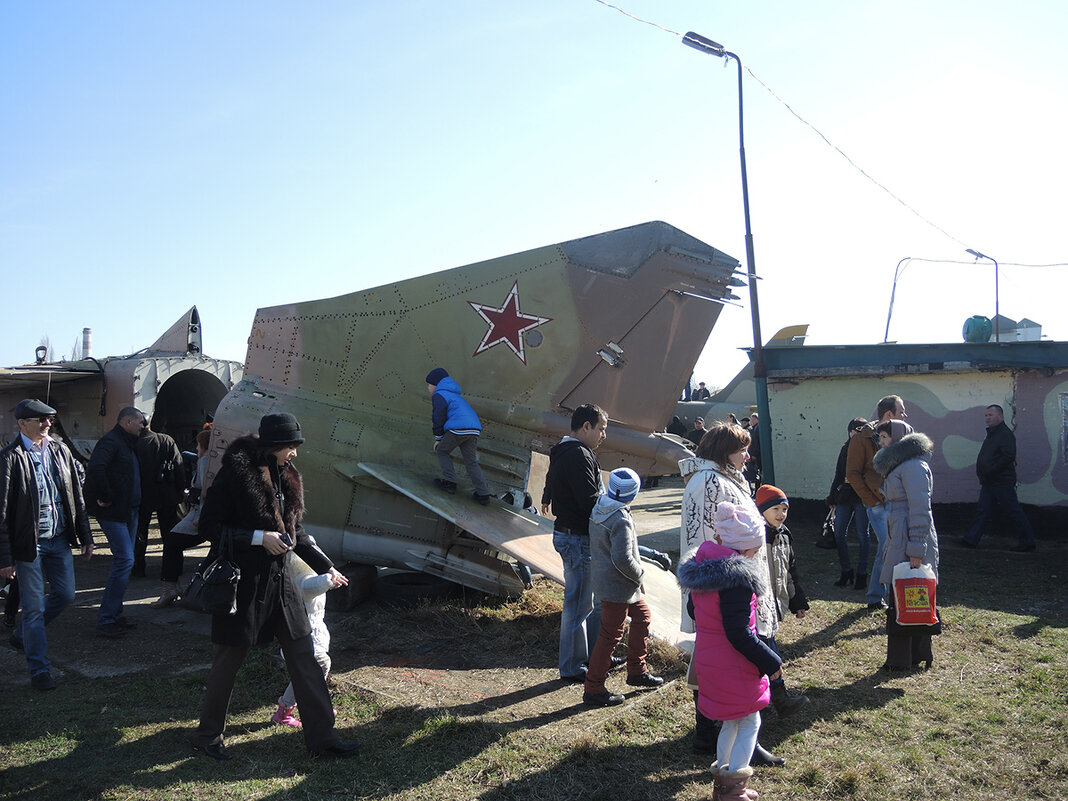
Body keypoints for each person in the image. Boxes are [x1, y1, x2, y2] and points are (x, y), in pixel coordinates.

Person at [191, 412, 358, 760]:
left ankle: (323, 739)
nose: (295, 453)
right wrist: (257, 538)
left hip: (283, 585)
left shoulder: (286, 475)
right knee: (228, 660)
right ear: (273, 445)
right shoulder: (235, 474)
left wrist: (327, 566)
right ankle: (208, 737)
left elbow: (295, 533)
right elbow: (208, 526)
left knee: (306, 658)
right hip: (245, 585)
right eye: (291, 446)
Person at [678, 422, 783, 766]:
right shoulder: (710, 482)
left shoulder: (719, 478)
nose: (747, 455)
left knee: (717, 662)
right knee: (730, 660)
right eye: (742, 450)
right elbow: (712, 535)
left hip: (725, 583)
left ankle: (710, 737)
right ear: (725, 452)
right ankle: (727, 741)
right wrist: (731, 576)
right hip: (723, 587)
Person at [677, 500, 782, 801]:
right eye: (754, 549)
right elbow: (739, 632)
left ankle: (722, 785)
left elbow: (694, 611)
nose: (756, 554)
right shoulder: (738, 579)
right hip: (733, 663)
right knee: (750, 721)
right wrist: (770, 660)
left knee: (730, 721)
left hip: (710, 658)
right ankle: (735, 790)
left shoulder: (703, 570)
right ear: (744, 548)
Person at [0, 399, 94, 691]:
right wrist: (5, 558)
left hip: (59, 539)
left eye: (50, 419)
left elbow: (75, 495)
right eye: (41, 420)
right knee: (33, 608)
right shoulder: (10, 457)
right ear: (22, 424)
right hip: (29, 545)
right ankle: (39, 670)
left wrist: (86, 535)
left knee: (65, 595)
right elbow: (1, 512)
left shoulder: (59, 449)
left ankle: (23, 635)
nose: (48, 424)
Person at [582, 468, 663, 706]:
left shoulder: (601, 507)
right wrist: (640, 574)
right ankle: (593, 687)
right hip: (619, 586)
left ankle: (637, 671)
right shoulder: (620, 519)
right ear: (633, 494)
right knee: (610, 635)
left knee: (643, 617)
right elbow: (623, 559)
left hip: (611, 582)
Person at [541, 403, 608, 682]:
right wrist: (614, 513)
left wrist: (546, 496)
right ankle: (571, 666)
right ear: (586, 427)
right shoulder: (579, 454)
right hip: (576, 537)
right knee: (578, 605)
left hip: (573, 535)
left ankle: (594, 655)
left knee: (589, 601)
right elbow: (588, 500)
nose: (604, 435)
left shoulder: (564, 449)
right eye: (601, 429)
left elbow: (552, 475)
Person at [872, 420, 940, 670]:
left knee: (910, 594)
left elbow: (921, 509)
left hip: (909, 539)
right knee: (907, 594)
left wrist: (916, 550)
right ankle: (911, 656)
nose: (881, 442)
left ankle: (904, 659)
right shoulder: (902, 465)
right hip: (900, 537)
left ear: (898, 438)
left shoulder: (912, 466)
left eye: (884, 437)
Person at [84, 406, 146, 638]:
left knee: (125, 562)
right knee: (125, 561)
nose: (143, 426)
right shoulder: (111, 442)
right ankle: (107, 618)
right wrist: (105, 496)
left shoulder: (127, 443)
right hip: (114, 513)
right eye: (140, 422)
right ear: (127, 422)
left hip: (129, 511)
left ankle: (115, 613)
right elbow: (97, 468)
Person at [846, 395, 908, 610]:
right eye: (901, 411)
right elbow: (852, 474)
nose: (905, 415)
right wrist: (871, 501)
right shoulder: (861, 438)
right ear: (889, 414)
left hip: (898, 501)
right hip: (878, 503)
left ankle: (876, 596)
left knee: (890, 545)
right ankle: (884, 596)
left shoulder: (902, 436)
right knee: (890, 545)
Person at [754, 484, 810, 715]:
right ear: (761, 510)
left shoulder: (784, 534)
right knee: (768, 652)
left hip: (775, 605)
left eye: (784, 509)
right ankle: (778, 697)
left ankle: (768, 697)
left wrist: (797, 600)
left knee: (769, 648)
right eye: (775, 508)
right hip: (758, 606)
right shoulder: (756, 534)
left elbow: (790, 570)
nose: (781, 514)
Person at [270, 557, 345, 728]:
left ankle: (284, 712)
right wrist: (330, 577)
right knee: (320, 665)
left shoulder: (299, 577)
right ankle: (316, 708)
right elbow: (314, 585)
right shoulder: (300, 581)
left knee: (305, 675)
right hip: (304, 636)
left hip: (311, 634)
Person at [959, 405, 1036, 552]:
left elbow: (1008, 456)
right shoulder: (993, 434)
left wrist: (990, 470)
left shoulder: (1004, 434)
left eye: (991, 415)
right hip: (991, 480)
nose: (987, 418)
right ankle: (971, 539)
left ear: (1000, 416)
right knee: (983, 510)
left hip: (1001, 481)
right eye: (986, 415)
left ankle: (1028, 542)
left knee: (1013, 510)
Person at [150, 426, 212, 608]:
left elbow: (206, 492)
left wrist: (201, 514)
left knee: (172, 542)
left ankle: (170, 588)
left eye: (199, 445)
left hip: (200, 515)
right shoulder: (211, 460)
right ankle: (171, 587)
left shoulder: (205, 461)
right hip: (201, 513)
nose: (196, 449)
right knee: (173, 542)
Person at [426, 368, 492, 505]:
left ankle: (450, 483)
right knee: (471, 461)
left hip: (459, 428)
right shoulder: (455, 395)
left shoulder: (440, 395)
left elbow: (438, 417)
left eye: (429, 384)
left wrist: (438, 439)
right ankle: (484, 494)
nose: (428, 388)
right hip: (474, 429)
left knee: (442, 451)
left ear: (436, 384)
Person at [133, 419, 188, 578]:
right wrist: (181, 490)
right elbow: (179, 466)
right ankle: (172, 568)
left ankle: (139, 568)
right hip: (167, 493)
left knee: (140, 533)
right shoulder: (166, 440)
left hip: (142, 494)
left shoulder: (133, 444)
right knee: (170, 534)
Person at [827, 417, 871, 588]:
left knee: (863, 535)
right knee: (839, 533)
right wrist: (832, 497)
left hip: (861, 496)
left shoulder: (868, 448)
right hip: (845, 496)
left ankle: (861, 573)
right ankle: (846, 571)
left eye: (860, 431)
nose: (856, 434)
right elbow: (838, 474)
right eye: (854, 431)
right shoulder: (845, 448)